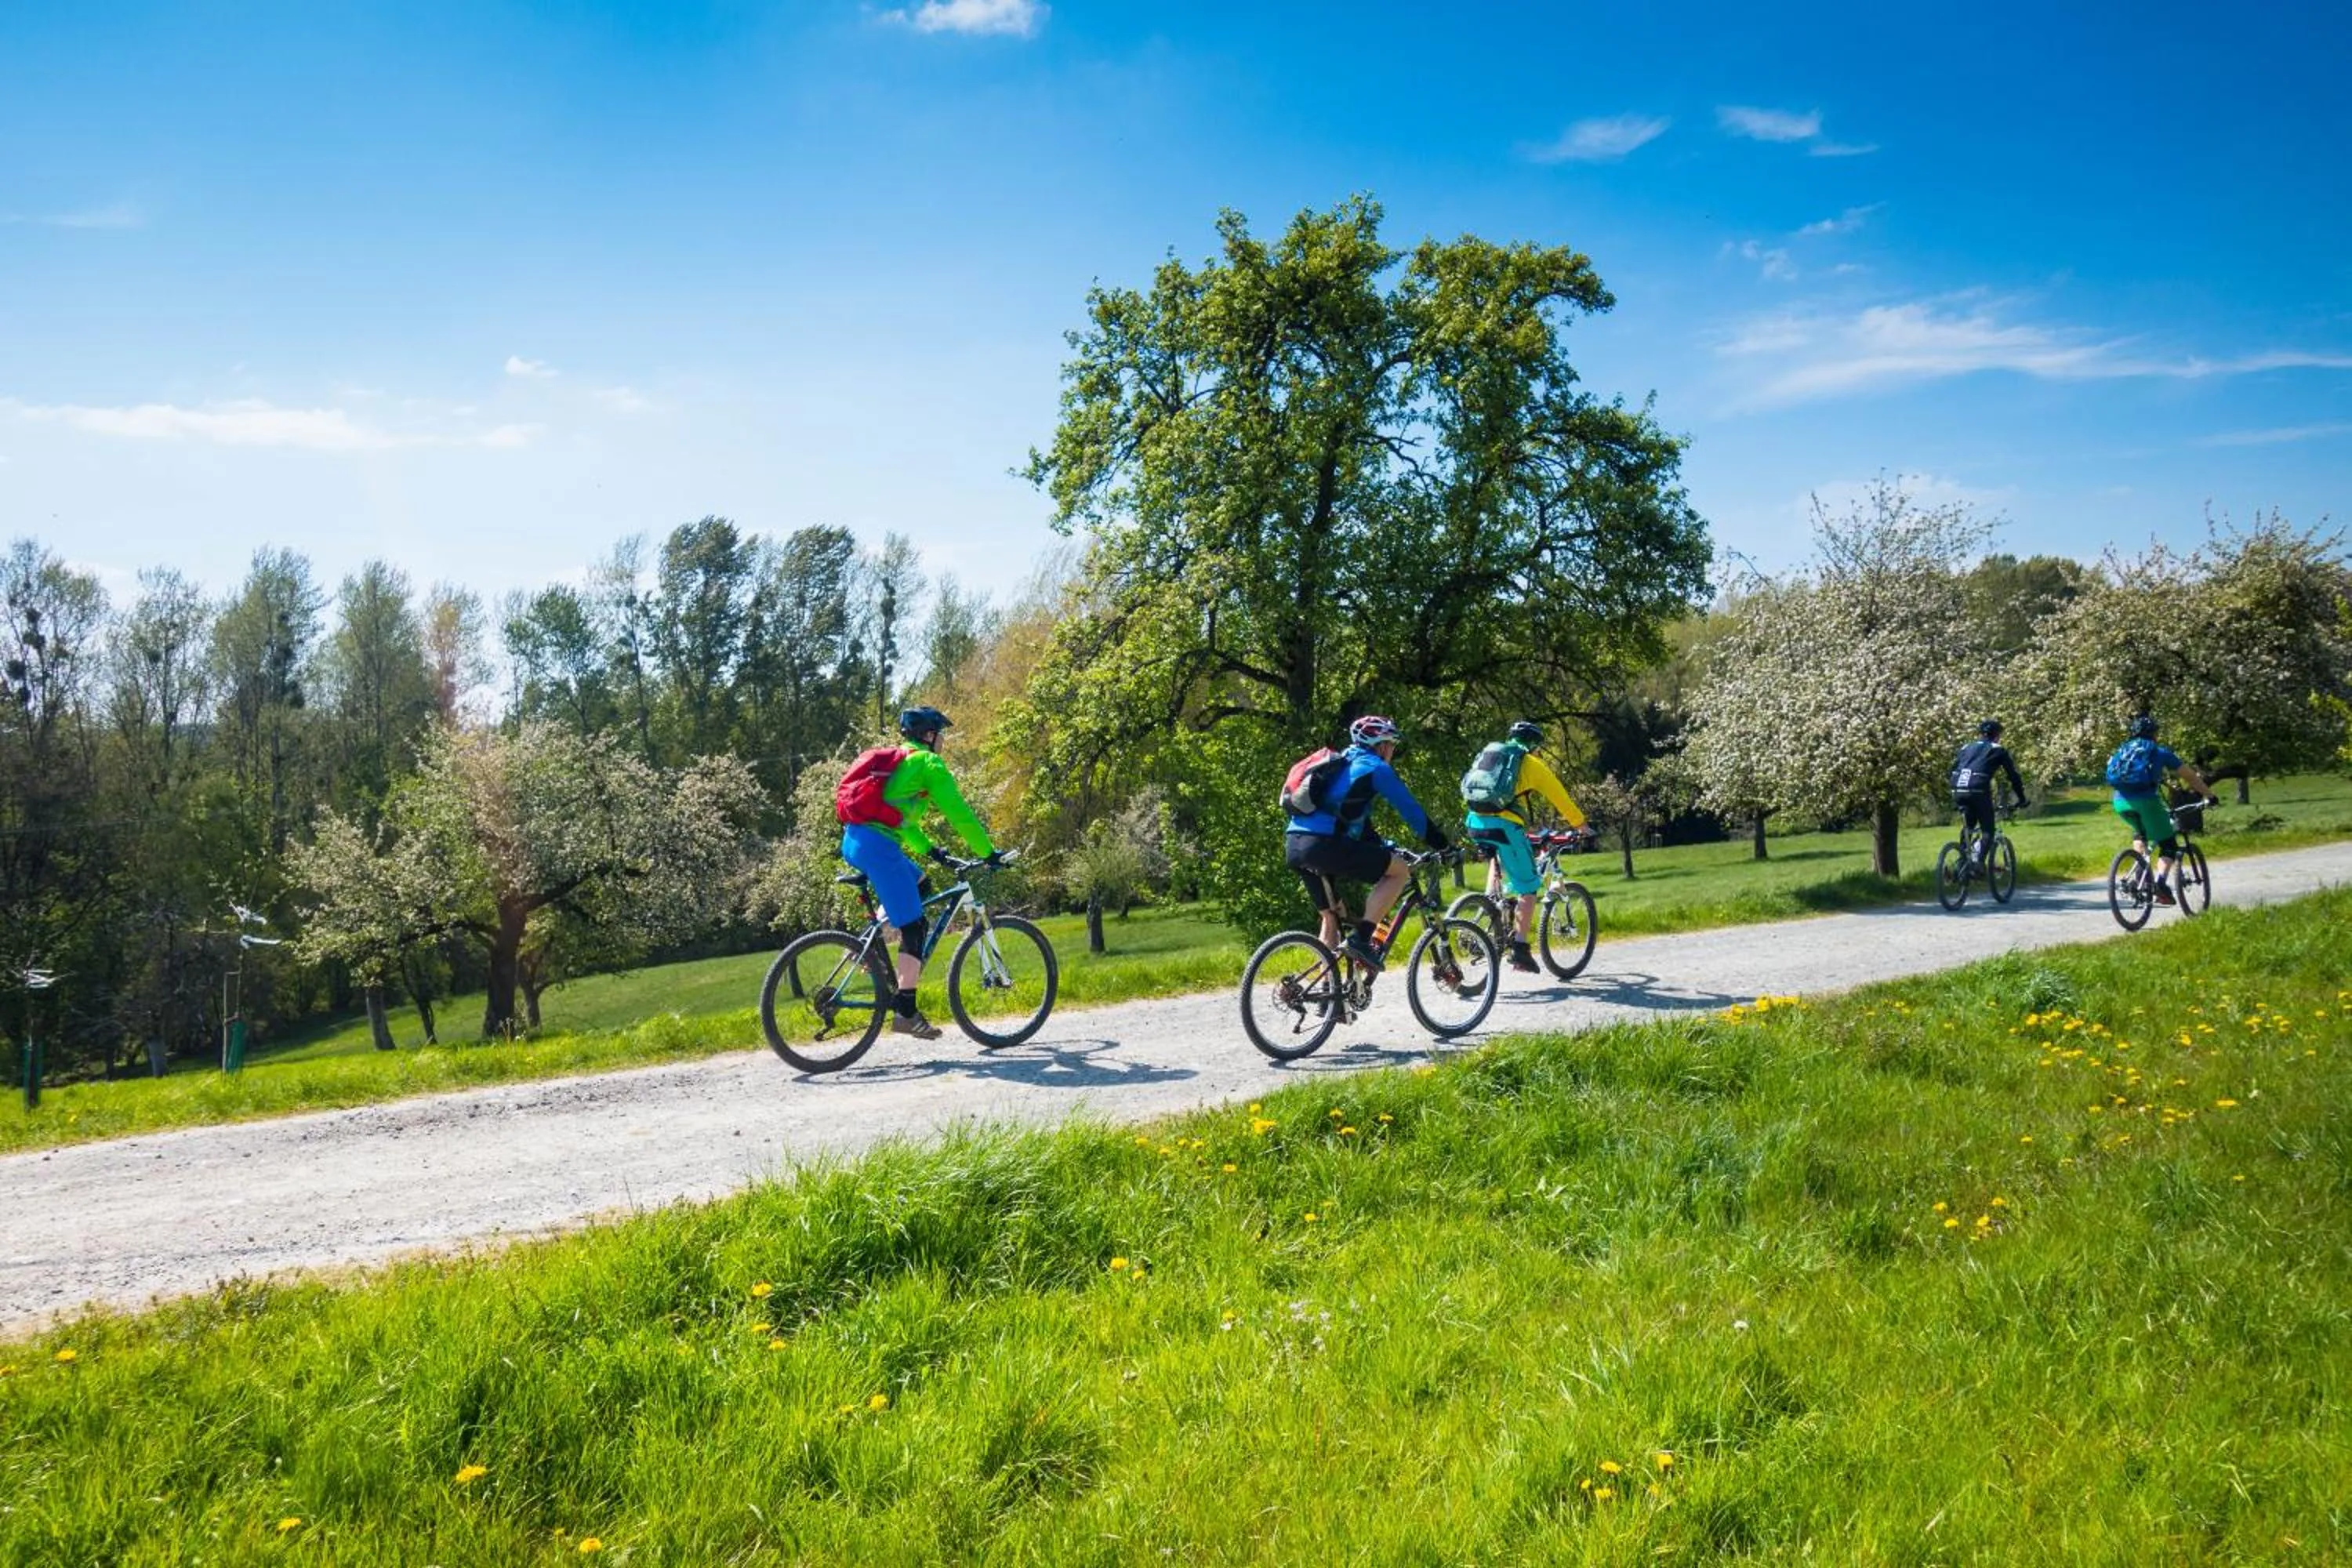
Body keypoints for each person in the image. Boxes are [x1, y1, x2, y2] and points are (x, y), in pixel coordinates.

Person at [838, 706, 1002, 1039]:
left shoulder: (903, 763)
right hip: (879, 848)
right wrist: (988, 852)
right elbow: (961, 815)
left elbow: (901, 820)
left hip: (857, 840)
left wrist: (931, 852)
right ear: (929, 735)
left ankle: (864, 947)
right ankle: (906, 1012)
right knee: (916, 926)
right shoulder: (929, 764)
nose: (943, 741)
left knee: (921, 884)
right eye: (940, 734)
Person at [1284, 714, 1450, 970]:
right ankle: (1362, 940)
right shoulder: (1376, 768)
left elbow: (1353, 821)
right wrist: (1443, 845)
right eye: (1392, 744)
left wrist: (1385, 845)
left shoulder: (1340, 763)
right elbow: (1412, 812)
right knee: (1398, 873)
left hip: (1295, 844)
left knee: (1331, 919)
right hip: (1323, 844)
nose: (1393, 750)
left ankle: (1329, 1001)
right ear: (1382, 745)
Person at [1461, 720, 1590, 973]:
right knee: (1529, 887)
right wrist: (1580, 824)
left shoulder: (1491, 754)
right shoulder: (1530, 763)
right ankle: (1520, 950)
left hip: (1474, 821)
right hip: (1505, 827)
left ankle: (1490, 902)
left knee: (1496, 855)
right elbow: (1558, 795)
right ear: (1534, 745)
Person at [2108, 713, 2209, 906]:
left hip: (2120, 802)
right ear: (2154, 734)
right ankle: (2160, 886)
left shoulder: (2121, 752)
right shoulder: (2160, 752)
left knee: (2141, 834)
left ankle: (2140, 878)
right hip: (2146, 801)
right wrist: (2209, 795)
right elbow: (2190, 776)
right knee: (2169, 844)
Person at [1949, 719, 2028, 869]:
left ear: (1981, 734)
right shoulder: (1998, 750)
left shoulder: (1966, 747)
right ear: (1997, 735)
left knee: (1969, 826)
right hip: (1978, 790)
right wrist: (2022, 798)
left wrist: (1956, 796)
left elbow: (1952, 770)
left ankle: (1962, 862)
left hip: (1958, 788)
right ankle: (1978, 865)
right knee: (1988, 831)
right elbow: (2013, 776)